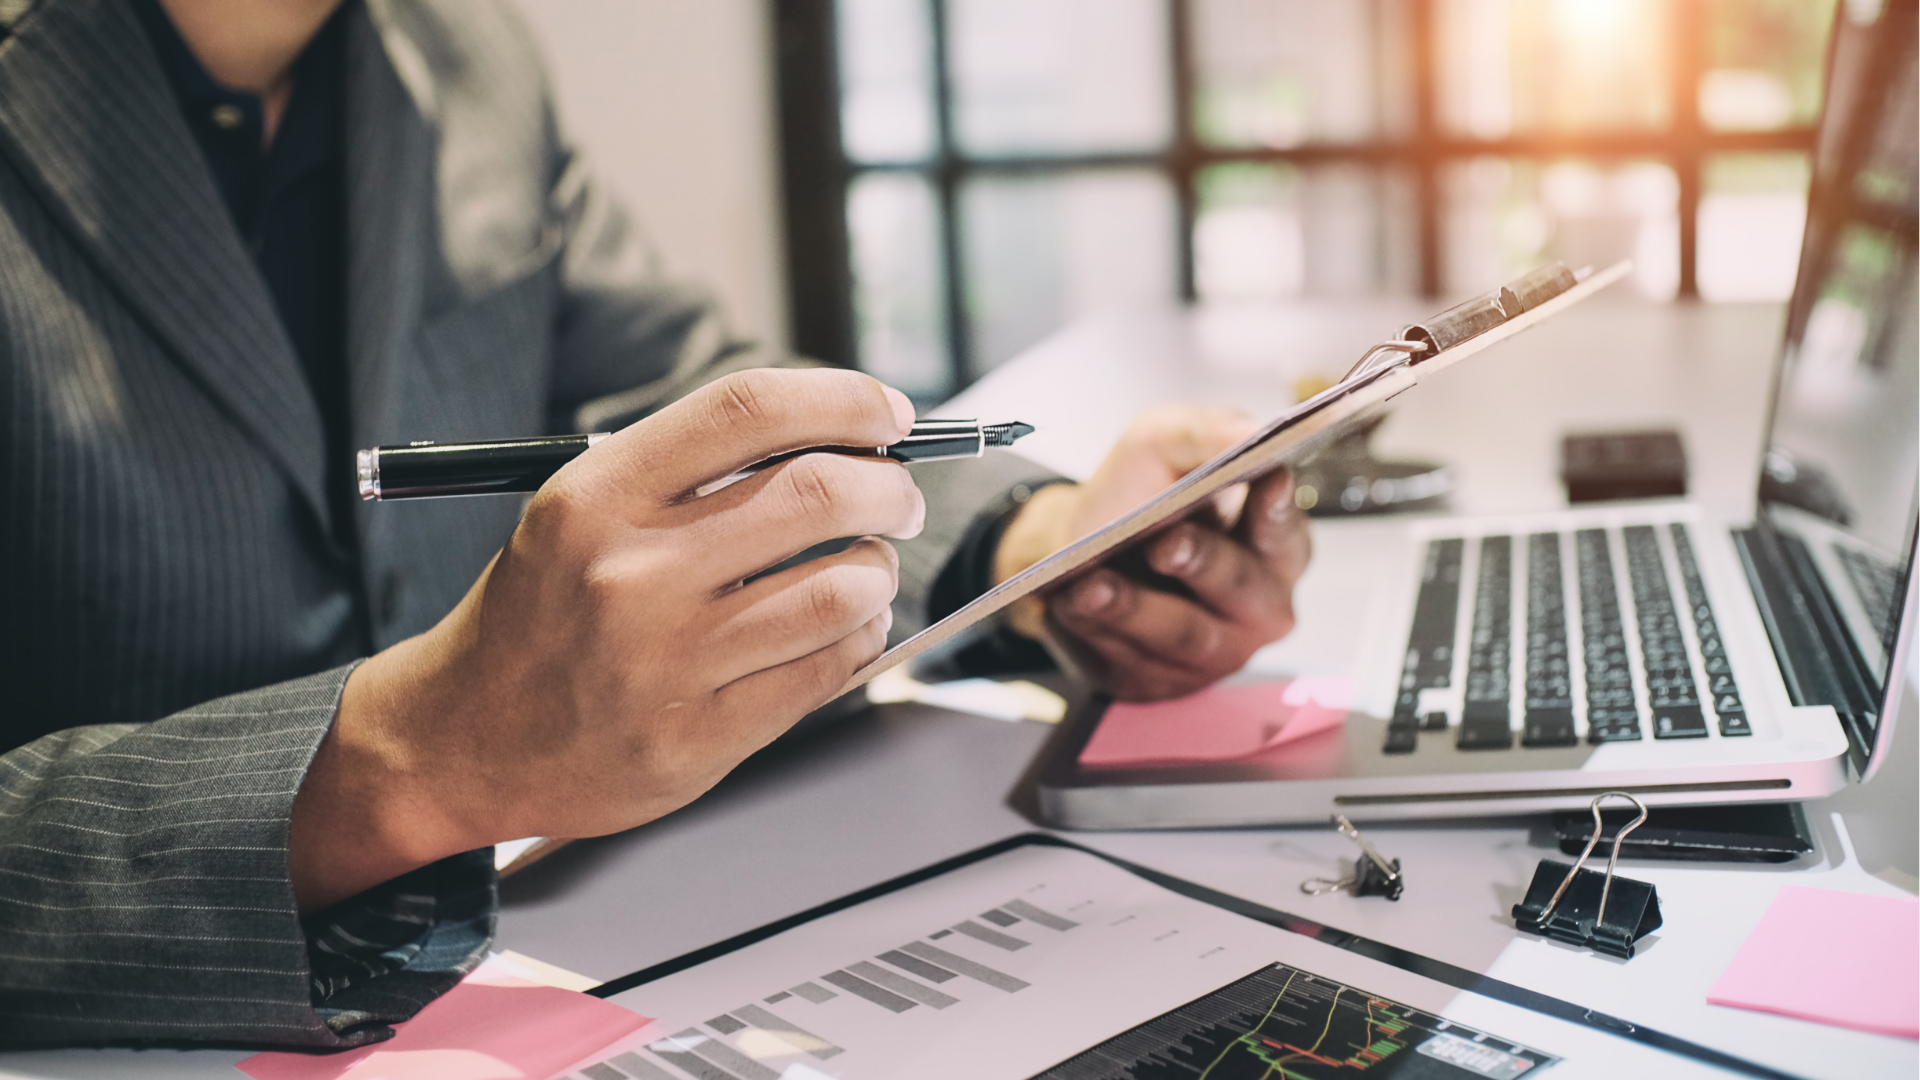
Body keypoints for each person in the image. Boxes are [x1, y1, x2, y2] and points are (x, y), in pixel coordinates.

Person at [0, 0, 1310, 1048]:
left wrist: (1051, 552)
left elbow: (682, 403)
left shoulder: (464, 55)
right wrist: (410, 757)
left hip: (565, 974)